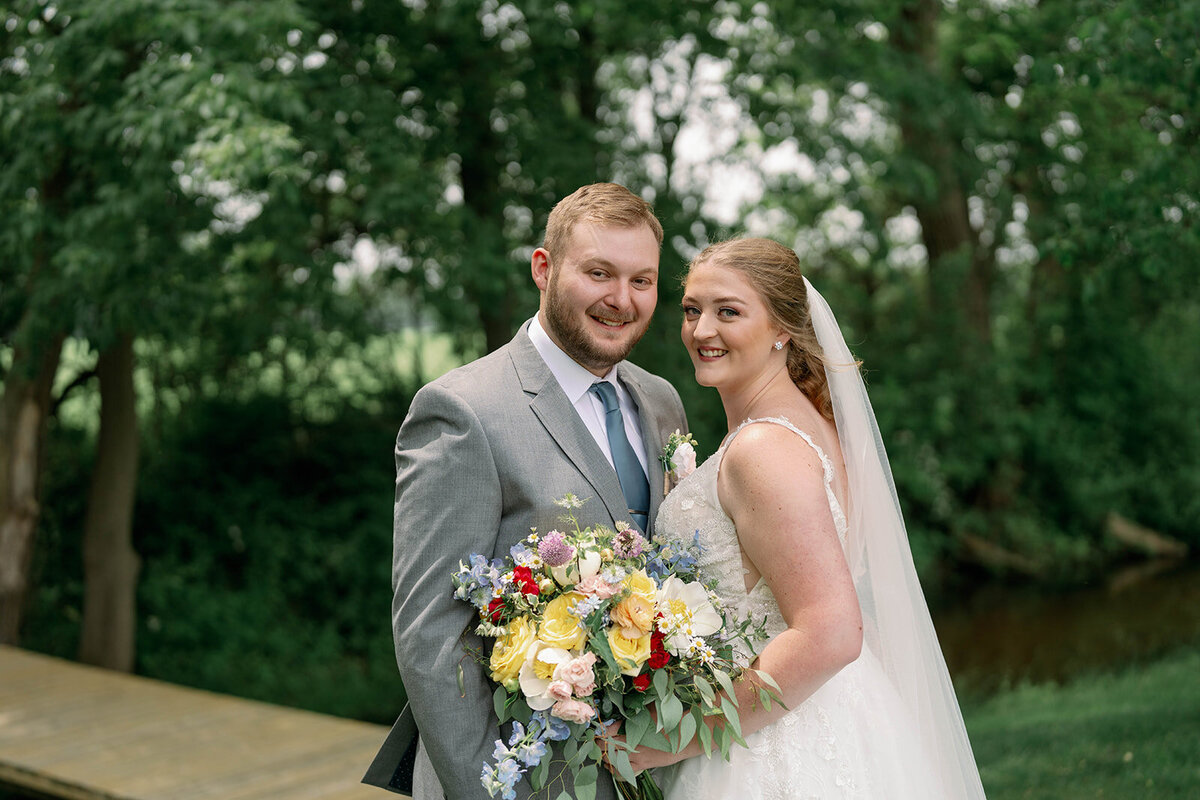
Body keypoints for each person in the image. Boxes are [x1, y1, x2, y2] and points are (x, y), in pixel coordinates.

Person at [362, 183, 689, 799]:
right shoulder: (462, 411)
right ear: (544, 269)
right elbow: (431, 634)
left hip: (647, 766)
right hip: (518, 775)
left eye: (641, 280)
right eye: (598, 273)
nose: (621, 299)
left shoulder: (661, 402)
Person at [630, 238, 986, 798]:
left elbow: (833, 632)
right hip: (825, 709)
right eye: (693, 310)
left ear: (782, 329)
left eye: (728, 311)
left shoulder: (763, 448)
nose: (701, 331)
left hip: (776, 742)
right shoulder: (808, 424)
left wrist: (673, 739)